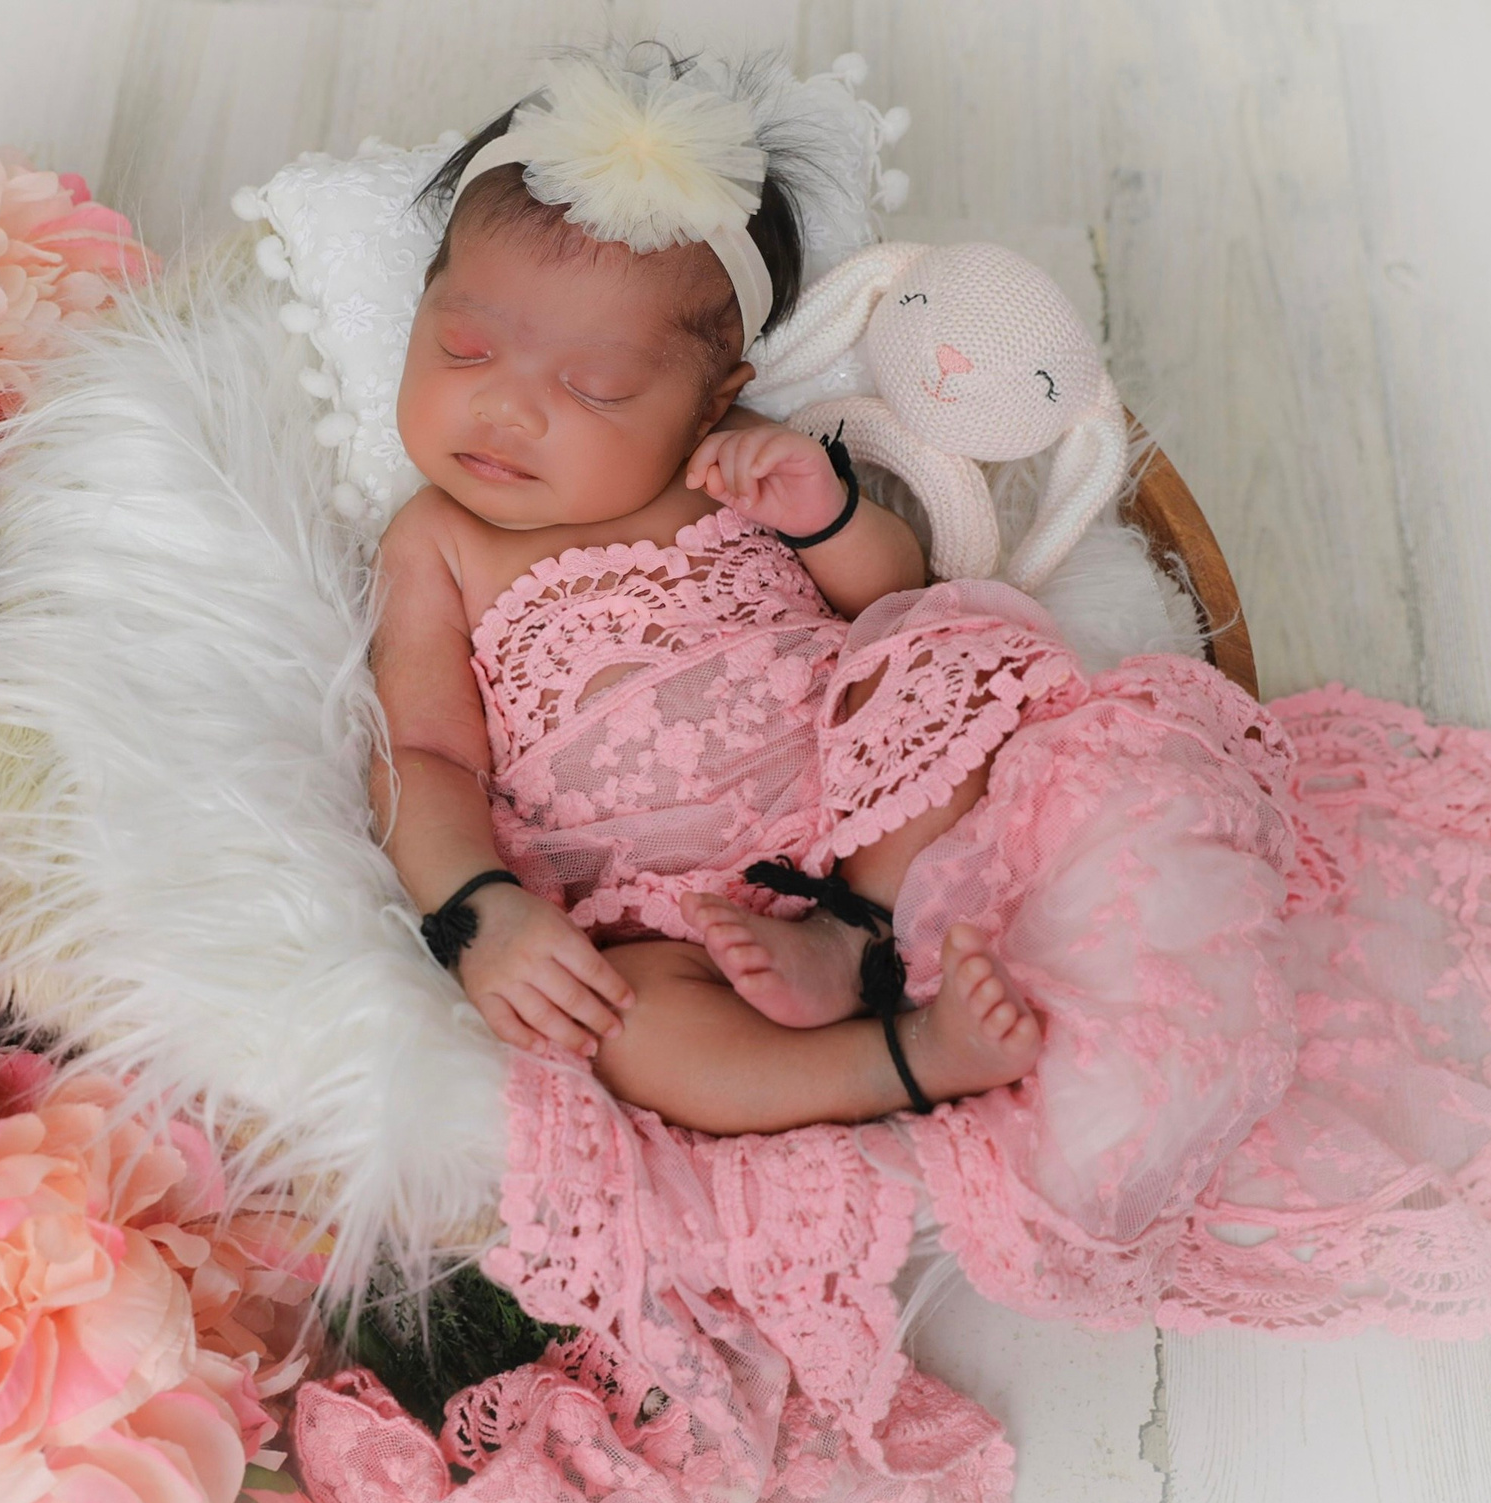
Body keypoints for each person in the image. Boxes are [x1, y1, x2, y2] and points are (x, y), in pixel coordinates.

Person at [370, 46, 1043, 1135]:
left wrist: (826, 516)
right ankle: (909, 1058)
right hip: (657, 911)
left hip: (857, 809)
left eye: (596, 387)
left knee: (953, 648)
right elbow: (426, 756)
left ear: (707, 398)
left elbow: (889, 601)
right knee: (623, 1027)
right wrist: (479, 911)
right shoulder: (435, 542)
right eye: (463, 347)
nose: (505, 408)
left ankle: (856, 931)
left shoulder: (736, 461)